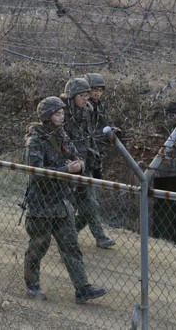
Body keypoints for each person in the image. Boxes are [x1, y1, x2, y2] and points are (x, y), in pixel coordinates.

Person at [23, 96, 108, 304]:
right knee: (38, 247)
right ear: (46, 117)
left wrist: (79, 165)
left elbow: (76, 156)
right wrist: (65, 169)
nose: (62, 117)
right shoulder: (35, 141)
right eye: (57, 113)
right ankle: (32, 285)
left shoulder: (62, 135)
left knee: (71, 247)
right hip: (42, 204)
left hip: (62, 201)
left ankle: (83, 288)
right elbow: (36, 173)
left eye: (62, 113)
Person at [60, 78, 116, 249]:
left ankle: (86, 235)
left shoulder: (86, 112)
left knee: (91, 204)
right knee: (71, 206)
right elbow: (61, 141)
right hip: (68, 167)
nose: (87, 98)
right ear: (72, 96)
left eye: (87, 95)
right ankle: (68, 239)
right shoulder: (62, 114)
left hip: (85, 164)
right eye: (83, 95)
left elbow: (89, 137)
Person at [83, 72, 121, 179]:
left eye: (100, 91)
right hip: (85, 153)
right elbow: (87, 134)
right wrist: (106, 135)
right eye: (95, 90)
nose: (97, 94)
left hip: (97, 153)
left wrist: (113, 130)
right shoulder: (83, 107)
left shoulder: (99, 105)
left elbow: (105, 123)